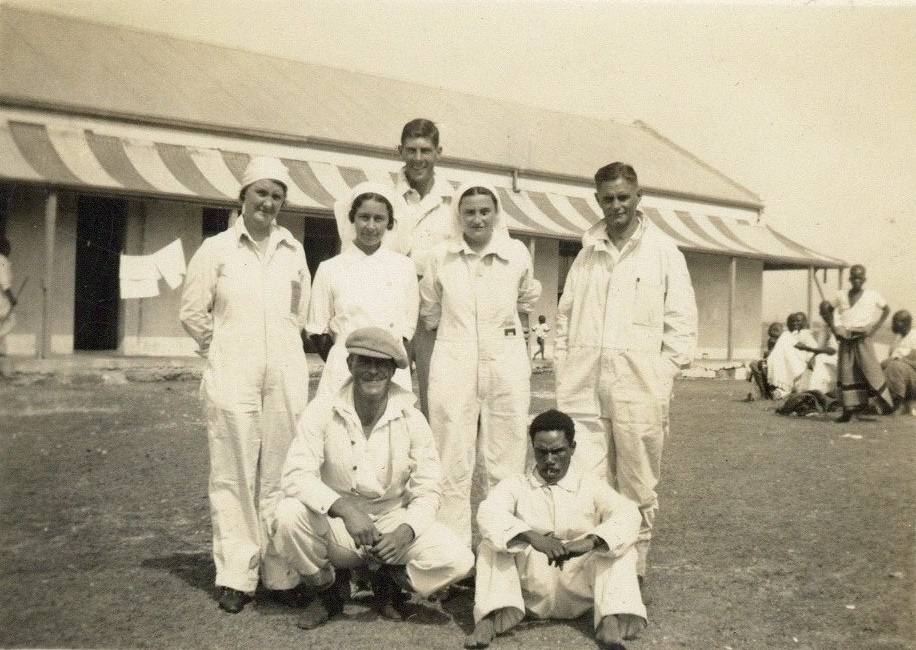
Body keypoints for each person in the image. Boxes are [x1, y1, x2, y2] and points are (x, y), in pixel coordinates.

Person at [554, 162, 697, 593]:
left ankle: (633, 569)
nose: (616, 206)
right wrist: (565, 366)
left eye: (624, 197)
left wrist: (661, 375)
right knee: (587, 480)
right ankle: (593, 572)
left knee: (638, 482)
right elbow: (564, 319)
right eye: (608, 199)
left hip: (640, 388)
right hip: (583, 388)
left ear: (639, 197)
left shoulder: (664, 252)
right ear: (597, 200)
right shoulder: (586, 253)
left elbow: (682, 325)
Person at [271, 327, 474, 630]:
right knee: (287, 515)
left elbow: (429, 488)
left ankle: (389, 579)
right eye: (364, 362)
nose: (373, 371)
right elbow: (296, 474)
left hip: (391, 522)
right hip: (340, 525)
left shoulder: (411, 418)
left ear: (393, 370)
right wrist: (345, 510)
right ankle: (328, 591)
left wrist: (405, 531)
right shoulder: (323, 409)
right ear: (350, 364)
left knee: (459, 560)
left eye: (382, 364)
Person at [179, 156, 311, 613]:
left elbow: (299, 313)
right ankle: (236, 574)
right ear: (242, 195)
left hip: (285, 373)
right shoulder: (215, 248)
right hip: (233, 371)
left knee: (281, 471)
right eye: (261, 193)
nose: (268, 203)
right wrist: (223, 348)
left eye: (277, 196)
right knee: (233, 472)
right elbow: (192, 313)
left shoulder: (293, 250)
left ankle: (280, 573)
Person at [420, 183, 541, 547]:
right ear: (458, 215)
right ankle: (449, 554)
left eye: (484, 211)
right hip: (453, 362)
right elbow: (430, 310)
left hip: (505, 363)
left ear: (496, 213)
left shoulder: (516, 253)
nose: (477, 219)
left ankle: (501, 549)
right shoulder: (441, 256)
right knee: (450, 458)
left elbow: (526, 300)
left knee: (507, 456)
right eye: (469, 212)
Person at [466, 409, 646, 650]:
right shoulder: (516, 485)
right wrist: (532, 537)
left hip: (578, 586)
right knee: (491, 544)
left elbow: (628, 514)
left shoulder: (590, 484)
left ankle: (609, 621)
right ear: (533, 449)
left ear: (572, 448)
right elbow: (489, 513)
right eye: (542, 452)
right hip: (530, 591)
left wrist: (590, 542)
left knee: (617, 545)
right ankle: (489, 618)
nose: (549, 460)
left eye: (558, 451)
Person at [307, 182, 418, 398]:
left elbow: (408, 328)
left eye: (379, 218)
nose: (371, 226)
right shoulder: (330, 268)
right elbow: (318, 330)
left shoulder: (404, 267)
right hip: (344, 367)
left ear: (389, 223)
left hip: (389, 367)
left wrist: (389, 360)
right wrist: (343, 361)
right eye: (364, 217)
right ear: (352, 218)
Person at [393, 118, 455, 418]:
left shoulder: (453, 202)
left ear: (438, 153)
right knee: (393, 395)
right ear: (400, 151)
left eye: (426, 151)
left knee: (437, 397)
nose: (418, 159)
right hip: (394, 309)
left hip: (436, 315)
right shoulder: (386, 197)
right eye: (411, 150)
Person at [823, 264, 893, 422]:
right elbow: (827, 310)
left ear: (864, 279)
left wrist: (873, 330)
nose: (857, 280)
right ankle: (848, 411)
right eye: (854, 277)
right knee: (847, 372)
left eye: (860, 277)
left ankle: (884, 404)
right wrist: (835, 329)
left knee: (870, 369)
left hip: (863, 338)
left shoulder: (872, 295)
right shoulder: (841, 295)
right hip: (846, 339)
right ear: (849, 278)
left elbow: (887, 309)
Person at [766, 312, 836, 399]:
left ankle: (784, 389)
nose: (796, 323)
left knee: (785, 336)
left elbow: (813, 351)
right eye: (794, 321)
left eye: (799, 321)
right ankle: (782, 388)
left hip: (805, 365)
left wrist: (810, 357)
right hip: (796, 364)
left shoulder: (806, 335)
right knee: (785, 337)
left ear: (805, 322)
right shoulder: (794, 334)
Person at [882, 310, 916, 415]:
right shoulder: (899, 337)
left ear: (906, 323)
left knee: (896, 366)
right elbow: (891, 356)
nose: (893, 325)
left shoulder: (914, 336)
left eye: (896, 322)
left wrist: (897, 360)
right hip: (903, 375)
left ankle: (900, 405)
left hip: (912, 377)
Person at [747, 321, 784, 399]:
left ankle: (768, 392)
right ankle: (763, 392)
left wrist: (768, 355)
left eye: (776, 330)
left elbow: (778, 354)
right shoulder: (770, 340)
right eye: (771, 329)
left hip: (779, 363)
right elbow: (768, 354)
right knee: (753, 365)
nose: (773, 332)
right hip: (769, 361)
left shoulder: (783, 341)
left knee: (763, 367)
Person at [0, 236, 17, 355]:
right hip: (2, 298)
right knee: (11, 321)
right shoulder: (2, 261)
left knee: (3, 323)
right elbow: (4, 283)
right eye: (8, 247)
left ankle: (1, 350)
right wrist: (12, 299)